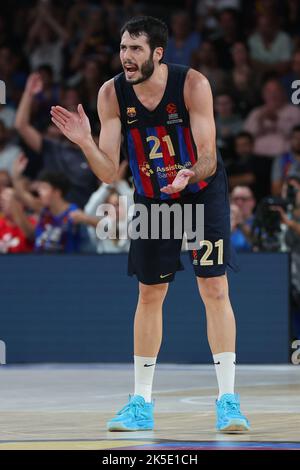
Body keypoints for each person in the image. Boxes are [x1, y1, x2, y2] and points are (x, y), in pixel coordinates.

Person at [51, 16, 250, 433]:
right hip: (152, 195)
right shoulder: (111, 93)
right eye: (123, 48)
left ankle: (228, 401)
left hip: (199, 190)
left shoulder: (192, 84)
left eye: (136, 49)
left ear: (158, 53)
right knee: (149, 294)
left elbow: (210, 155)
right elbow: (108, 173)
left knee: (213, 287)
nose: (126, 56)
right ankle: (140, 402)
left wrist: (190, 175)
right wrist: (86, 142)